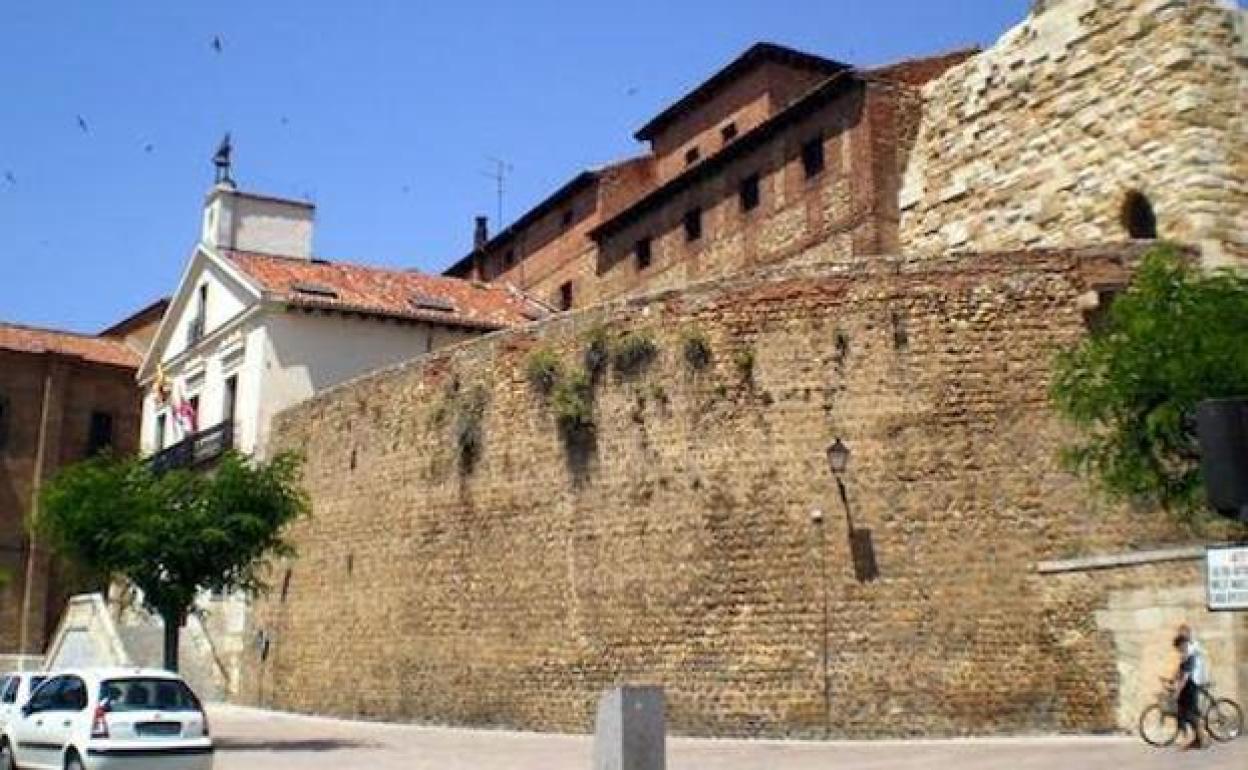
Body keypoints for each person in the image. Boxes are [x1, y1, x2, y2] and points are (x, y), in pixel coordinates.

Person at [1172, 625, 1208, 750]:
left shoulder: (1191, 652)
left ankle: (1199, 739)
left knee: (1191, 714)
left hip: (1192, 685)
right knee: (1185, 714)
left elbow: (1186, 675)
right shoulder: (1185, 654)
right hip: (1188, 686)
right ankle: (1196, 740)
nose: (1178, 650)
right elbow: (1180, 669)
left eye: (1179, 647)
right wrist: (1173, 678)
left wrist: (1178, 690)